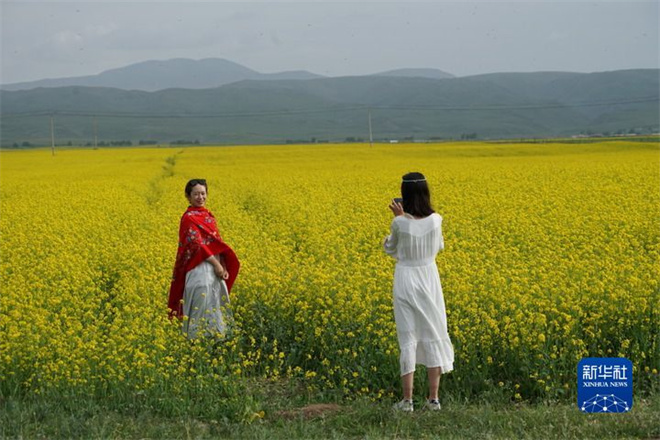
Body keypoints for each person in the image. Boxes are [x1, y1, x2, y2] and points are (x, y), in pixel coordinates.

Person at [384, 172, 454, 412]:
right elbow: (440, 246)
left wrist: (400, 219)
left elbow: (390, 248)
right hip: (429, 278)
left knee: (408, 337)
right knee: (434, 331)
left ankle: (407, 401)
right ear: (425, 193)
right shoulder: (437, 220)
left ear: (404, 195)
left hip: (405, 278)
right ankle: (433, 399)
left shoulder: (399, 222)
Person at [168, 178, 240, 339]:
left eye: (203, 193)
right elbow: (196, 245)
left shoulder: (208, 216)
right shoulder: (188, 218)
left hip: (216, 268)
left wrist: (223, 266)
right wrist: (216, 265)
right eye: (196, 194)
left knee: (216, 303)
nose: (200, 197)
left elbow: (216, 243)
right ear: (188, 196)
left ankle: (217, 342)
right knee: (201, 303)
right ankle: (196, 341)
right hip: (199, 268)